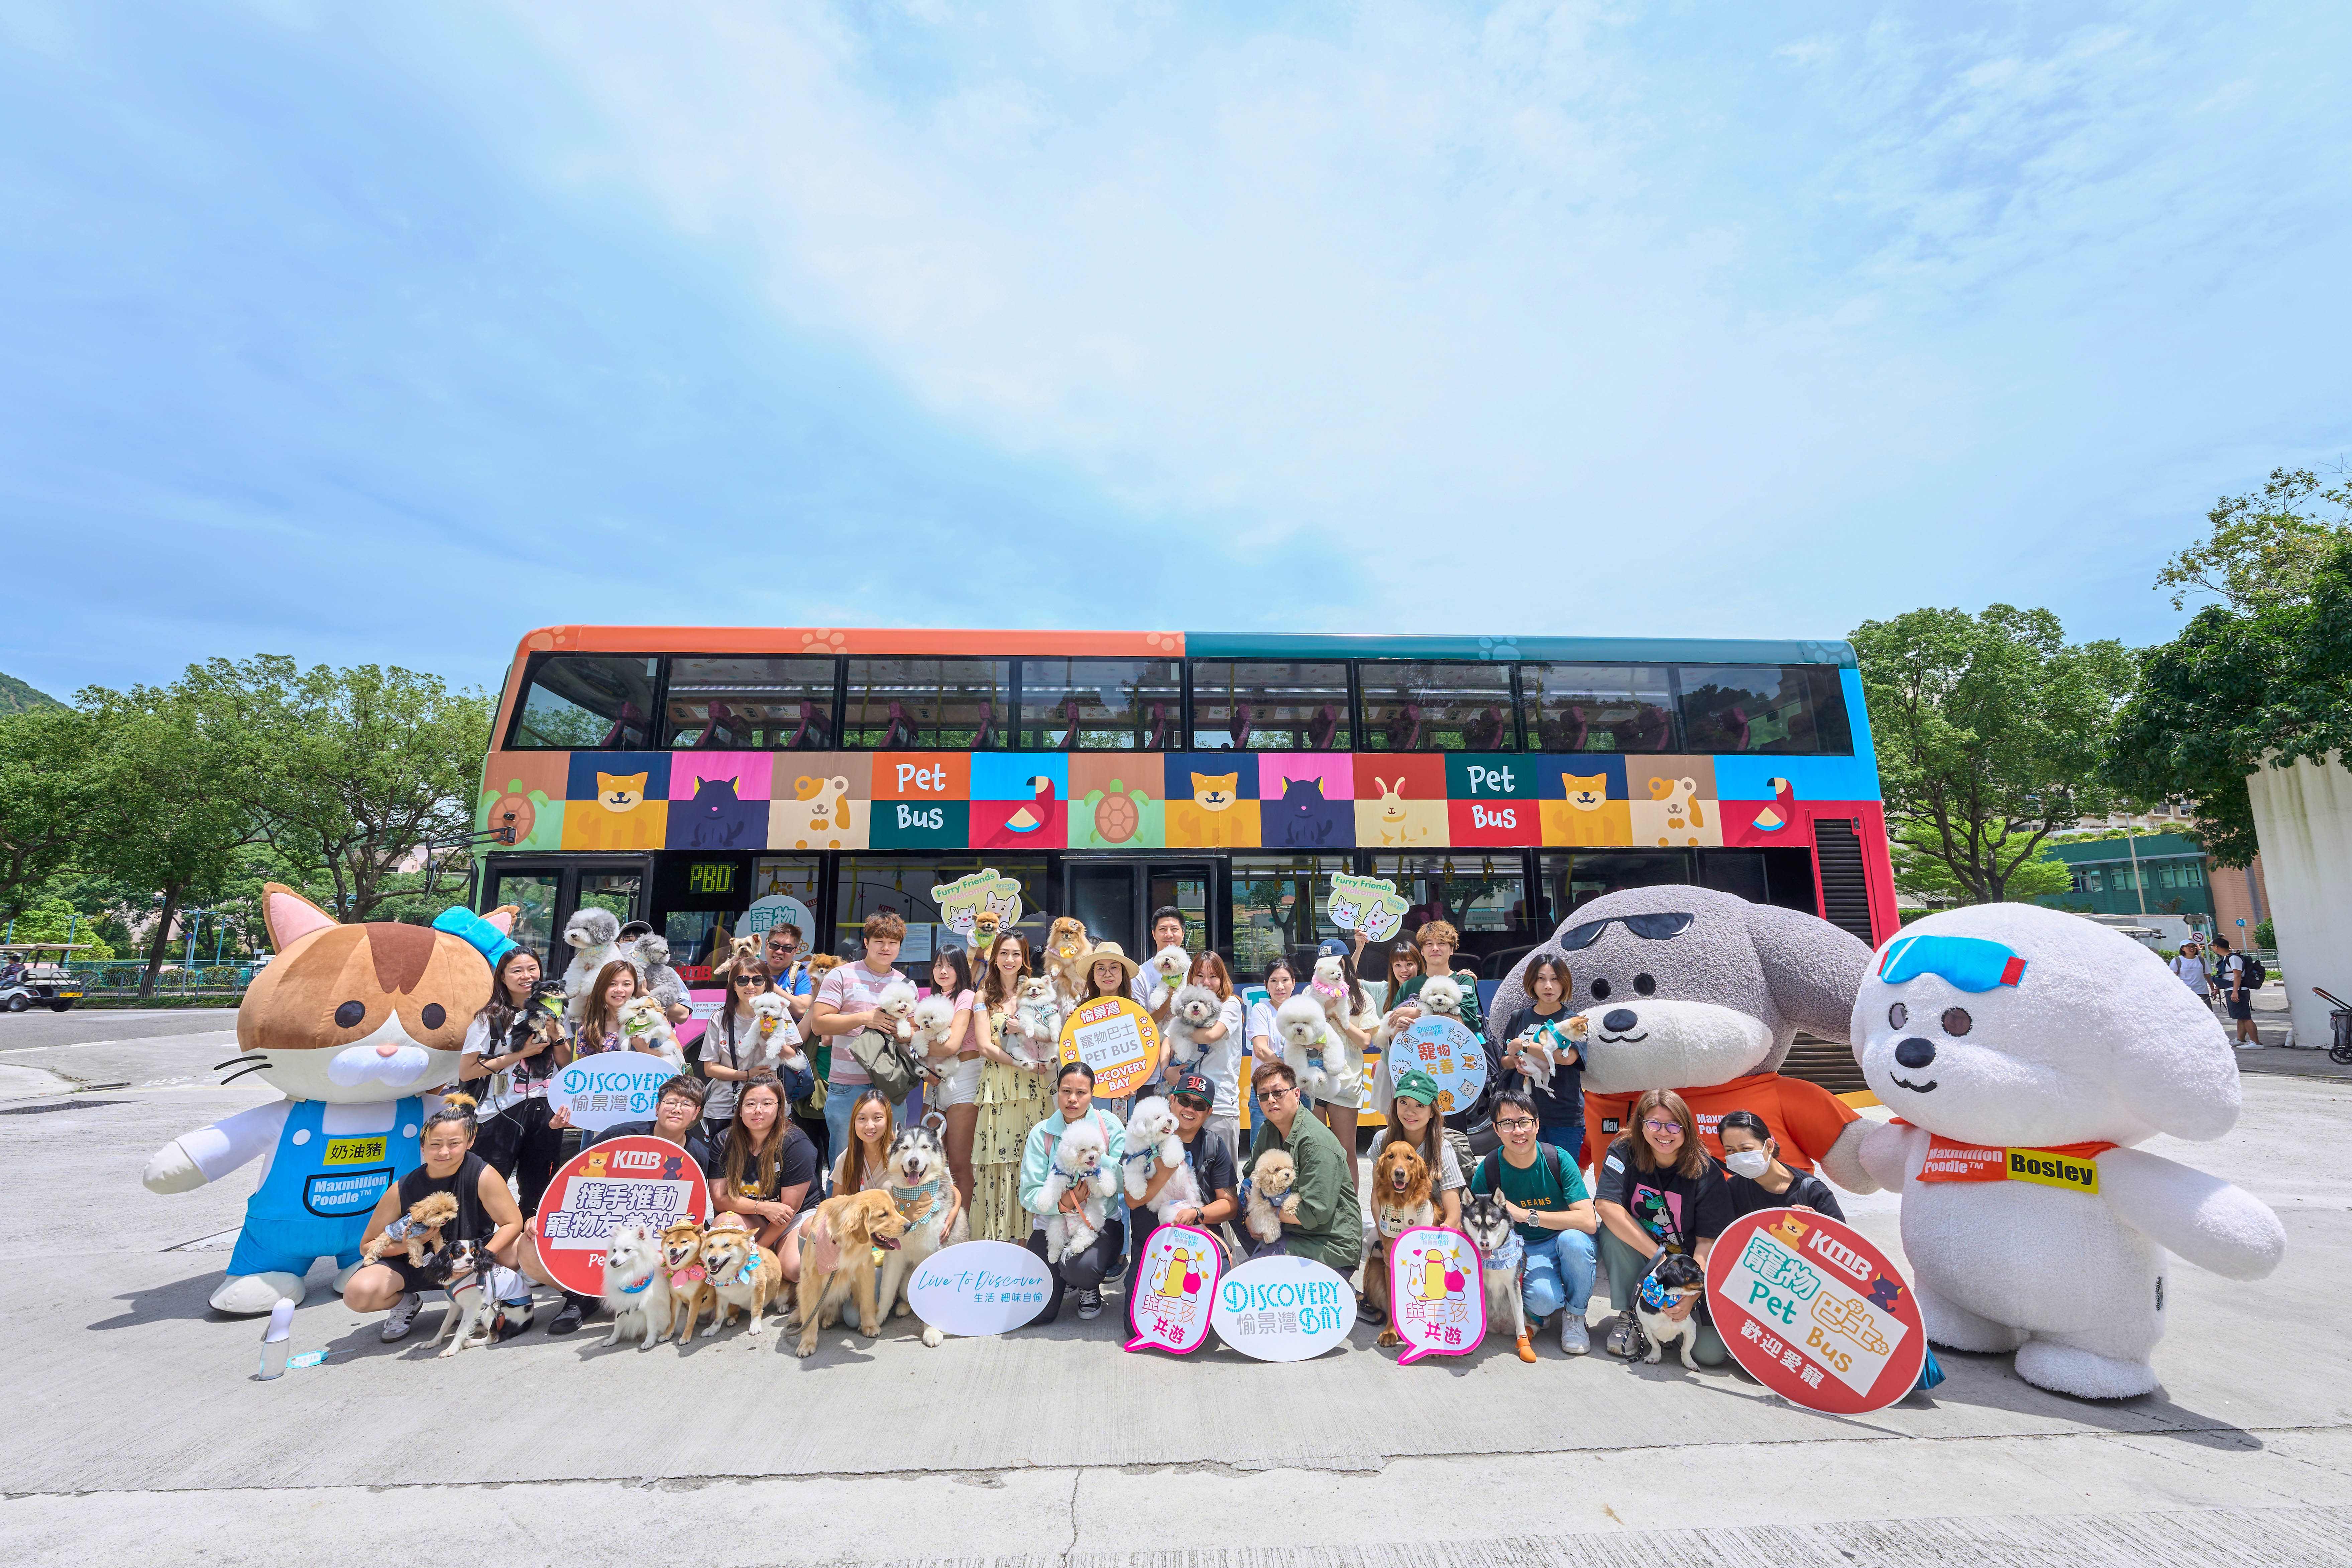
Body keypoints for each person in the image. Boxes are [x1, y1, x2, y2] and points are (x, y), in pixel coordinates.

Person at [533, 1074, 719, 1334]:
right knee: (527, 1248)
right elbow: (574, 1177)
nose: (677, 1109)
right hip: (600, 1228)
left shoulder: (697, 1154)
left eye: (687, 1104)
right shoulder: (621, 1135)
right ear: (657, 1107)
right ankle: (580, 1296)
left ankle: (654, 1297)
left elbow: (696, 1209)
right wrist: (541, 1214)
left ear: (696, 1113)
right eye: (671, 1102)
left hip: (657, 1244)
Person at [345, 1094, 528, 1342]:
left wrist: (477, 1260)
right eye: (435, 1144)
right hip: (417, 1265)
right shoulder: (402, 1188)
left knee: (523, 1247)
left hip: (470, 1259)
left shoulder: (483, 1174)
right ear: (422, 1146)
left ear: (470, 1142)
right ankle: (406, 1304)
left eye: (454, 1143)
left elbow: (512, 1223)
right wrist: (411, 1245)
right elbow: (367, 1245)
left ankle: (486, 1297)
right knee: (359, 1294)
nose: (443, 1152)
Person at [1593, 1088, 1734, 1365]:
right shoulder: (1624, 1150)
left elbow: (1707, 1242)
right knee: (1612, 1230)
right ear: (1641, 1125)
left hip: (1686, 1269)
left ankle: (1670, 1322)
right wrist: (1661, 1259)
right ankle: (1631, 1315)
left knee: (1710, 1355)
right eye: (1654, 1124)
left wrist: (1691, 1295)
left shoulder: (1705, 1170)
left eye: (1673, 1125)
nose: (1663, 1133)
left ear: (1686, 1128)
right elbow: (1605, 1205)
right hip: (1646, 1255)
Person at [1471, 1087, 1598, 1358]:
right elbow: (1472, 1222)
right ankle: (1550, 1301)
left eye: (1524, 1122)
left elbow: (1588, 1222)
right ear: (1496, 1129)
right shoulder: (1489, 1169)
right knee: (1543, 1302)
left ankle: (1575, 1315)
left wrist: (1526, 1215)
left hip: (1561, 1239)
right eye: (1507, 1124)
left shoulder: (1558, 1159)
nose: (1518, 1131)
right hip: (1522, 1250)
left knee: (1575, 1241)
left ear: (1537, 1125)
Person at [1018, 1061, 1130, 1322]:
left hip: (1098, 1223)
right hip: (1052, 1223)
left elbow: (1126, 1179)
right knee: (1037, 1315)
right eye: (1066, 1091)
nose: (1072, 1099)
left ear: (1092, 1094)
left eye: (1081, 1093)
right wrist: (1065, 1202)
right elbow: (1029, 1193)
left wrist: (1095, 1158)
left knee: (1082, 1269)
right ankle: (1063, 1279)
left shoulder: (1108, 1125)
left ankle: (1085, 1285)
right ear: (1057, 1091)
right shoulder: (1042, 1133)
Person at [462, 946, 565, 1220]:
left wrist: (557, 1036)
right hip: (498, 1113)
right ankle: (481, 1243)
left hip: (546, 1112)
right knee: (487, 1192)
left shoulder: (554, 1011)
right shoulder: (489, 1018)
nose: (526, 976)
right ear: (503, 977)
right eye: (517, 971)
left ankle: (527, 1241)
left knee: (539, 1191)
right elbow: (467, 1071)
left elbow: (566, 1063)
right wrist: (520, 1054)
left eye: (532, 969)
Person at [1360, 1068, 1464, 1329]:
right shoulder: (1383, 1140)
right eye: (1404, 1102)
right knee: (1372, 1246)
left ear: (1433, 1111)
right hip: (1392, 1222)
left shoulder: (1442, 1149)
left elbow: (1454, 1215)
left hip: (1430, 1228)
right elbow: (1376, 1197)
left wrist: (1432, 1248)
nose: (1410, 1111)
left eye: (1420, 1105)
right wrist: (1386, 1240)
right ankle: (1384, 1305)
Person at [972, 931, 1057, 1242]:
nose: (1010, 960)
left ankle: (1031, 1241)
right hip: (1000, 1086)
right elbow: (984, 1046)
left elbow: (1055, 1035)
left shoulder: (1039, 993)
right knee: (1000, 1161)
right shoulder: (982, 997)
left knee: (1034, 1161)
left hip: (1036, 1087)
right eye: (1004, 953)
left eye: (1017, 954)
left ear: (1024, 959)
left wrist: (1027, 1033)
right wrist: (1022, 1064)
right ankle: (998, 1243)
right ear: (994, 957)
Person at [1241, 1061, 1363, 1278]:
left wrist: (1266, 1213)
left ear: (1297, 1094)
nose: (1271, 1100)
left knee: (1251, 1277)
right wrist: (1249, 1215)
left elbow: (1315, 1213)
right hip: (1290, 1230)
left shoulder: (1316, 1143)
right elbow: (1250, 1179)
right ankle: (1272, 1259)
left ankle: (1332, 1285)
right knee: (1234, 1206)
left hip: (1327, 1244)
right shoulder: (1268, 1130)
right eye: (1263, 1096)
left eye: (1278, 1092)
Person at [808, 911, 914, 1158]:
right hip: (847, 1086)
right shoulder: (841, 975)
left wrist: (903, 1033)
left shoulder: (906, 984)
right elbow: (819, 1024)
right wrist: (865, 1018)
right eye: (879, 941)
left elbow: (912, 1030)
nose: (886, 948)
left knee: (891, 1163)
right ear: (866, 943)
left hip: (891, 1086)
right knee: (845, 1164)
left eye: (893, 943)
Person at [776, 1088, 897, 1293]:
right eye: (862, 1119)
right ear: (854, 1122)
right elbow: (836, 1208)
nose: (870, 1126)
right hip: (860, 1237)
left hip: (893, 1235)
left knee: (856, 1309)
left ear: (889, 1119)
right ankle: (813, 1286)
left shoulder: (902, 1155)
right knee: (809, 1227)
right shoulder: (847, 1159)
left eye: (878, 1118)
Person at [1126, 1070, 1241, 1258]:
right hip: (1151, 1246)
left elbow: (1230, 1206)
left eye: (1200, 1105)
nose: (1190, 1109)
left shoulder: (1214, 1145)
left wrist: (1196, 1213)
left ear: (1209, 1113)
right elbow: (1132, 1201)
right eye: (1185, 1101)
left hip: (1200, 1240)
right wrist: (1165, 1173)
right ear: (1172, 1100)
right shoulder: (1143, 1137)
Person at [1488, 953, 1584, 1161]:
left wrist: (1524, 1045)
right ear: (1532, 982)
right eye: (1541, 979)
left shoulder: (1572, 1021)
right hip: (1522, 1118)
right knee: (1526, 1175)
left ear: (1564, 982)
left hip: (1564, 1117)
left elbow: (1568, 1058)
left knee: (1562, 1175)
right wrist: (1516, 1061)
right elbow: (1505, 1061)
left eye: (1555, 979)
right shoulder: (1520, 1017)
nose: (1548, 986)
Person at [711, 1070, 821, 1253]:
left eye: (767, 1104)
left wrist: (759, 1251)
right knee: (725, 1222)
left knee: (791, 1267)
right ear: (740, 1110)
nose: (758, 1110)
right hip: (752, 1213)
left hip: (795, 1216)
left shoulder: (796, 1143)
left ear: (780, 1108)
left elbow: (787, 1210)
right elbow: (720, 1200)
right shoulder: (724, 1141)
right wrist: (761, 1207)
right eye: (750, 1104)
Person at [701, 963, 812, 1128]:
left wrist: (769, 1038)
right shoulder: (719, 1018)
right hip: (726, 1106)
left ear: (766, 984)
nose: (750, 986)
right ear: (734, 985)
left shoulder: (780, 1012)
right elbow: (710, 1069)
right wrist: (747, 1075)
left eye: (758, 980)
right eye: (743, 980)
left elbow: (791, 1056)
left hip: (768, 1106)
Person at [1305, 938, 1379, 1185]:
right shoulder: (1309, 994)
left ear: (1345, 965)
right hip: (1313, 1080)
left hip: (1346, 1082)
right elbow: (1301, 1035)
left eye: (1336, 965)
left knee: (1346, 1151)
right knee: (1315, 1151)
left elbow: (1366, 1042)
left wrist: (1337, 1015)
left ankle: (1350, 1206)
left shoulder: (1362, 997)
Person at [1162, 951, 1245, 1169]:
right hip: (1185, 1103)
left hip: (1219, 1104)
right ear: (1191, 978)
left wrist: (1181, 1032)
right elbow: (1167, 1041)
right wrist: (1166, 1070)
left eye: (1213, 977)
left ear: (1222, 979)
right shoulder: (1187, 1003)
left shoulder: (1230, 1004)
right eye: (1200, 976)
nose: (1206, 982)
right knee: (1182, 1175)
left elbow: (1211, 1035)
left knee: (1221, 1177)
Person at [923, 948, 981, 1211]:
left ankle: (962, 1226)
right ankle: (932, 1221)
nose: (943, 971)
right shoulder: (930, 998)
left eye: (950, 966)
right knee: (927, 1158)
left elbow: (951, 1045)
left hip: (965, 1079)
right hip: (935, 1080)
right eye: (938, 965)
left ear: (961, 969)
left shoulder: (967, 996)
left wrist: (914, 1042)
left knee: (959, 1164)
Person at [1717, 1109, 1845, 1221]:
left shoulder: (1813, 1191)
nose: (1739, 1156)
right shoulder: (1733, 1189)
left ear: (1769, 1146)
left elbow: (1843, 1238)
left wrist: (1817, 1225)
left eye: (1746, 1149)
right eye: (1731, 1150)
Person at [1074, 940, 1144, 1116]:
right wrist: (1072, 1027)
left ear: (1123, 973)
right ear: (1093, 975)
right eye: (1101, 968)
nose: (1108, 974)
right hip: (1088, 1091)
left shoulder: (1136, 1012)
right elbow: (1073, 1054)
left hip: (1124, 1089)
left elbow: (1145, 1053)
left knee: (1120, 1132)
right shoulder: (1082, 1013)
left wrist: (1133, 1082)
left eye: (1114, 968)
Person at [573, 959, 656, 1057]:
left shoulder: (653, 1018)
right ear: (601, 987)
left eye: (627, 984)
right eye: (612, 984)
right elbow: (583, 1066)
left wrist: (645, 1050)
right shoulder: (589, 1030)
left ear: (634, 987)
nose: (619, 990)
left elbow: (672, 1056)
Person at [1131, 905, 1190, 1025]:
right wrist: (1168, 1002)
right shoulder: (1140, 975)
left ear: (1183, 934)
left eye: (1174, 929)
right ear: (1154, 934)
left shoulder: (1195, 970)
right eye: (1163, 929)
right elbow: (1140, 1023)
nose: (1169, 935)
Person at [2212, 935, 2261, 1047]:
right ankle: (2240, 1040)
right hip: (2233, 989)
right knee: (2241, 1017)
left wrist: (2235, 992)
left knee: (2246, 1017)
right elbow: (2227, 976)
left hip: (2239, 990)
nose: (2213, 949)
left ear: (2217, 947)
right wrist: (2218, 988)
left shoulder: (2233, 958)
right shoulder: (2227, 958)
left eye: (2213, 947)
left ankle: (2256, 1043)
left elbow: (2237, 975)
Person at [764, 924, 815, 1024]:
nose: (779, 952)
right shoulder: (753, 971)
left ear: (795, 951)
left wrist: (769, 984)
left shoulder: (803, 974)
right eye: (775, 946)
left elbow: (801, 1010)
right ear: (767, 945)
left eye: (787, 948)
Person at [2168, 938, 2210, 1007]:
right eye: (2188, 947)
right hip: (2185, 993)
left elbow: (2208, 976)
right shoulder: (2177, 961)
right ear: (2182, 949)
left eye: (2194, 947)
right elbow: (2172, 978)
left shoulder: (2202, 960)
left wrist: (2213, 989)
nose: (2192, 949)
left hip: (2202, 992)